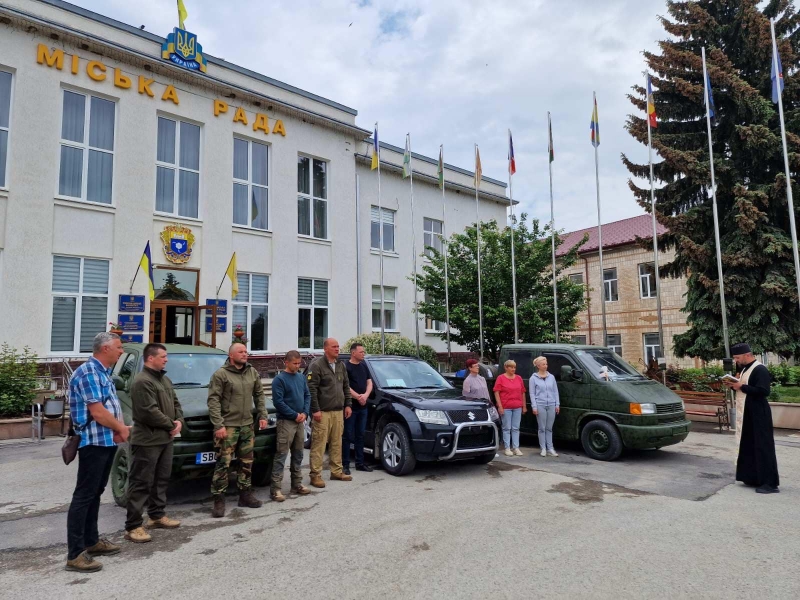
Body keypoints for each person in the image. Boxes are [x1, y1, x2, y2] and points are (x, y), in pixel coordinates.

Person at [66, 332, 130, 573]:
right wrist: (121, 428)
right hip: (93, 442)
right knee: (84, 495)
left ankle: (91, 542)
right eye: (118, 347)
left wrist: (118, 429)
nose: (121, 351)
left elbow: (110, 407)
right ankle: (75, 554)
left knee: (95, 492)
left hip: (105, 439)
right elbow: (99, 413)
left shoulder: (103, 372)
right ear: (105, 349)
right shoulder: (89, 372)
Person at [124, 343, 184, 543]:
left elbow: (176, 403)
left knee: (161, 479)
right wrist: (170, 424)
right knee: (141, 482)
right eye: (163, 356)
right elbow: (148, 411)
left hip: (165, 439)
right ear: (151, 358)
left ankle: (156, 516)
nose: (166, 359)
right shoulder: (142, 381)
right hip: (148, 440)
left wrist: (179, 422)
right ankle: (133, 526)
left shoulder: (164, 379)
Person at [207, 342, 268, 517]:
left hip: (247, 425)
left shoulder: (252, 372)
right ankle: (219, 499)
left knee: (247, 462)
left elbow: (259, 395)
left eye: (246, 351)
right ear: (231, 355)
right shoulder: (221, 374)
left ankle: (245, 495)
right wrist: (218, 424)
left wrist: (262, 415)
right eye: (241, 351)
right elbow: (213, 400)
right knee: (223, 464)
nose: (245, 354)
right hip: (228, 426)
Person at [723, 342, 780, 494]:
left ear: (747, 355)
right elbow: (744, 389)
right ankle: (752, 477)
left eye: (737, 357)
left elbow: (763, 391)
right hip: (747, 413)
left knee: (763, 447)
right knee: (748, 445)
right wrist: (734, 385)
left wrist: (741, 386)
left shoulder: (759, 369)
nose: (736, 360)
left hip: (759, 413)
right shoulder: (744, 369)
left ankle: (770, 483)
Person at [307, 338, 353, 486]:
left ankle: (336, 471)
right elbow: (311, 389)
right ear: (325, 349)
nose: (337, 349)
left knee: (336, 442)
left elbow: (346, 385)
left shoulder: (340, 365)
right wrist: (315, 409)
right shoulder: (317, 365)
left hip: (338, 411)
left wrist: (348, 404)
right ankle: (315, 475)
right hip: (323, 412)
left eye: (338, 346)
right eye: (334, 346)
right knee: (319, 444)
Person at [270, 350, 312, 502]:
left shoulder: (301, 377)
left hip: (300, 421)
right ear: (286, 362)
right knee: (281, 454)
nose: (297, 366)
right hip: (286, 422)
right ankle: (275, 489)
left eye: (299, 363)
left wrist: (305, 413)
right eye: (294, 363)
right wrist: (294, 415)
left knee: (298, 453)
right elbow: (278, 402)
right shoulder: (279, 380)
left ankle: (297, 484)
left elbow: (307, 395)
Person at [343, 343, 374, 475]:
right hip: (351, 407)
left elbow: (369, 382)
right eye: (361, 352)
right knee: (347, 436)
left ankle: (360, 463)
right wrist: (357, 397)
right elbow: (344, 385)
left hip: (363, 407)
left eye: (363, 351)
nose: (363, 354)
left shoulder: (364, 365)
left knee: (360, 435)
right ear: (353, 353)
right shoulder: (346, 366)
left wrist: (366, 395)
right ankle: (345, 465)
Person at [493, 359, 526, 457]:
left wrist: (524, 406)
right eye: (511, 367)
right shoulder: (501, 378)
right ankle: (507, 448)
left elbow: (522, 392)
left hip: (517, 406)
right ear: (506, 368)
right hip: (506, 406)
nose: (513, 369)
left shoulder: (519, 378)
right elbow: (496, 392)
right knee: (506, 428)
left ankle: (516, 447)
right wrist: (500, 406)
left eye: (514, 367)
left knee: (516, 428)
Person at [530, 356, 560, 458]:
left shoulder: (551, 377)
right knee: (542, 428)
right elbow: (532, 394)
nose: (546, 366)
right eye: (543, 364)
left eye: (546, 364)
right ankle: (543, 448)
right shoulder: (533, 378)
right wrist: (534, 407)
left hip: (551, 404)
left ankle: (550, 448)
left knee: (549, 428)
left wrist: (557, 404)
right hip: (540, 404)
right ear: (538, 366)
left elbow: (555, 391)